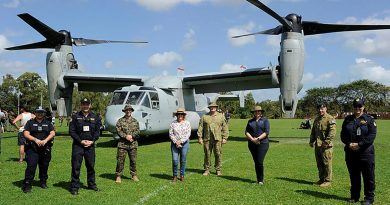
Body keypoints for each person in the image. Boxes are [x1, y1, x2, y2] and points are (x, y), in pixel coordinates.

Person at [341, 98, 377, 205]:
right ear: (353, 107)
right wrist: (349, 144)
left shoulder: (369, 119)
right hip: (351, 152)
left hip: (365, 153)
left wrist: (359, 144)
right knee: (354, 175)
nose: (358, 108)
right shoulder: (348, 119)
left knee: (368, 176)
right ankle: (354, 196)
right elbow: (343, 135)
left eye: (360, 106)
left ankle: (369, 198)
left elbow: (372, 136)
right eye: (356, 106)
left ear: (363, 107)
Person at [69, 98, 102, 195]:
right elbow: (72, 131)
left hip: (90, 146)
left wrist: (92, 141)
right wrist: (80, 141)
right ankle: (75, 187)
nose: (85, 106)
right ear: (81, 105)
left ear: (90, 105)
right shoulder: (75, 117)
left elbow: (97, 131)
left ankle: (92, 185)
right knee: (76, 167)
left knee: (91, 166)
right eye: (83, 104)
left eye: (87, 104)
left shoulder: (95, 117)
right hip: (78, 146)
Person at [21, 106, 55, 193]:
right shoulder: (30, 123)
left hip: (45, 148)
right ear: (35, 113)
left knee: (44, 166)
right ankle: (27, 184)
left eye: (41, 112)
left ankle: (43, 182)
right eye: (38, 112)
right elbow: (26, 133)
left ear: (44, 113)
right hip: (32, 148)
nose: (40, 114)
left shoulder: (48, 123)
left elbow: (52, 133)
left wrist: (45, 140)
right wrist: (35, 140)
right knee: (31, 166)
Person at [198, 102, 229, 176]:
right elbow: (200, 127)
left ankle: (218, 169)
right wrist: (200, 137)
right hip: (207, 139)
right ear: (209, 108)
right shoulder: (204, 116)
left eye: (214, 107)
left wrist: (225, 137)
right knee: (207, 154)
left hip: (217, 139)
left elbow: (225, 127)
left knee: (218, 154)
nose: (212, 108)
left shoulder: (221, 116)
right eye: (211, 107)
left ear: (216, 107)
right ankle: (207, 169)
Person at [309, 103, 336, 187]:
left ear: (326, 109)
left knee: (327, 163)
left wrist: (326, 142)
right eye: (319, 109)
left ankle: (328, 180)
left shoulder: (330, 118)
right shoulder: (317, 119)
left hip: (326, 146)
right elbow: (313, 131)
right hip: (318, 145)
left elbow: (332, 132)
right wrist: (311, 141)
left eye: (322, 108)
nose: (321, 110)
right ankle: (321, 179)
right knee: (319, 163)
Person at [115, 105, 140, 183]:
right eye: (127, 110)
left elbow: (138, 131)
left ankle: (134, 175)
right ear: (124, 111)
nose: (128, 111)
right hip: (122, 144)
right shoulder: (120, 121)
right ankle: (118, 176)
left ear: (131, 111)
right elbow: (118, 131)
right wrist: (126, 136)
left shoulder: (135, 121)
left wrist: (132, 136)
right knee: (120, 161)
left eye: (130, 110)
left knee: (133, 160)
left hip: (133, 144)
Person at [245, 106, 270, 185]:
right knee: (256, 162)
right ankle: (258, 179)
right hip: (252, 144)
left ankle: (261, 180)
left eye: (259, 111)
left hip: (263, 144)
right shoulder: (250, 121)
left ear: (261, 112)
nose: (257, 113)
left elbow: (266, 132)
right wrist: (252, 139)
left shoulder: (265, 121)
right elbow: (246, 132)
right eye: (255, 111)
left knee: (259, 161)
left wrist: (258, 139)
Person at [169, 108, 191, 182]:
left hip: (184, 144)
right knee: (175, 160)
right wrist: (176, 142)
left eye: (181, 114)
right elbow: (171, 134)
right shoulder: (173, 123)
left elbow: (188, 134)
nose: (180, 116)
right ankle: (175, 175)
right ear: (176, 115)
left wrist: (181, 141)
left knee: (183, 160)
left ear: (183, 115)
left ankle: (182, 175)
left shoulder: (187, 123)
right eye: (178, 114)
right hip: (174, 144)